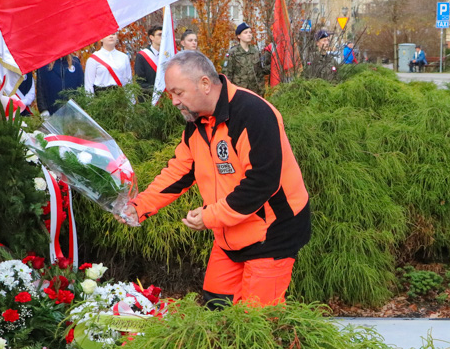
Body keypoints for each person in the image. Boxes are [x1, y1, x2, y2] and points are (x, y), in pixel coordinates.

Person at [118, 51, 311, 308]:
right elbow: (179, 172)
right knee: (216, 307)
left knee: (258, 325)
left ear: (205, 85)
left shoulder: (254, 114)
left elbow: (262, 183)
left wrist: (210, 216)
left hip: (273, 233)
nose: (174, 101)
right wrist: (139, 206)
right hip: (230, 233)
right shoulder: (197, 122)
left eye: (179, 92)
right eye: (171, 94)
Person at [222, 22, 266, 95]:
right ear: (239, 36)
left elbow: (259, 74)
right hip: (239, 92)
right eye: (245, 33)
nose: (249, 34)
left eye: (250, 32)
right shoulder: (233, 53)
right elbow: (228, 75)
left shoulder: (255, 51)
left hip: (254, 92)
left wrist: (261, 91)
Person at [134, 25, 162, 96]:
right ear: (151, 37)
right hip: (149, 97)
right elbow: (140, 81)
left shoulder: (167, 55)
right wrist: (156, 90)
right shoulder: (142, 56)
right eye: (159, 34)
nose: (162, 37)